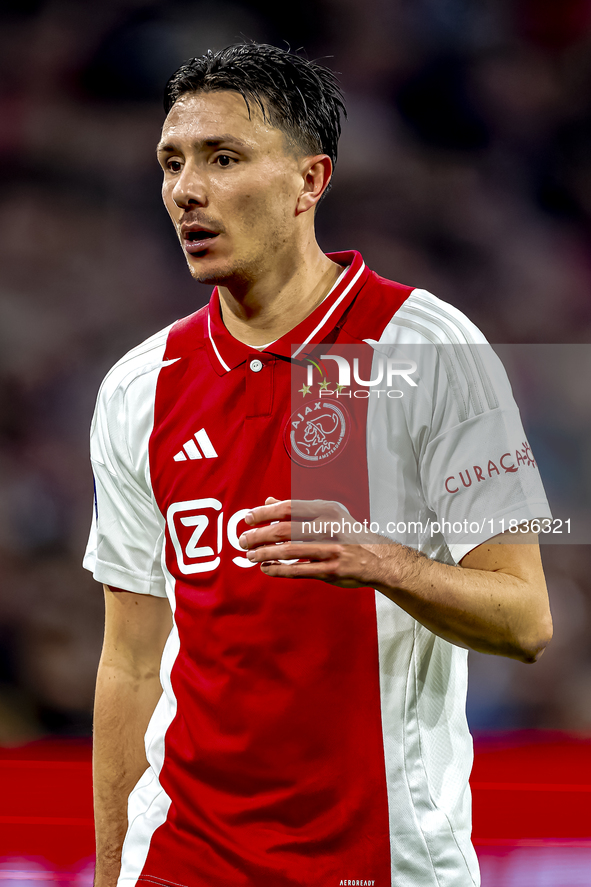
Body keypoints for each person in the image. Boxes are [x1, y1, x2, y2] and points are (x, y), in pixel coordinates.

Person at [84, 42, 553, 887]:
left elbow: (523, 619)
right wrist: (117, 870)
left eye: (223, 158)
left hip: (381, 857)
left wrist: (380, 562)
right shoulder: (139, 387)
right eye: (172, 162)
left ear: (310, 181)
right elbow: (127, 662)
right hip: (185, 859)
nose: (186, 189)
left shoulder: (426, 348)